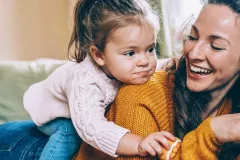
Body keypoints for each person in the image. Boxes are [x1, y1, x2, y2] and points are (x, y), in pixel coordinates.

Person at [74, 0, 240, 159]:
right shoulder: (140, 93)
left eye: (215, 46)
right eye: (193, 37)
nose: (194, 53)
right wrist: (211, 133)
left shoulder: (233, 103)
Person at [0, 0, 177, 159]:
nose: (145, 61)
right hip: (55, 114)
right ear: (98, 55)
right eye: (130, 53)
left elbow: (157, 64)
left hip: (81, 110)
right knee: (69, 135)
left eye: (150, 49)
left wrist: (172, 63)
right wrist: (138, 143)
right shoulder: (85, 82)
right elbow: (92, 128)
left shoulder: (129, 65)